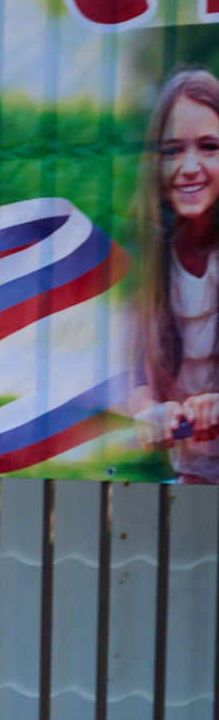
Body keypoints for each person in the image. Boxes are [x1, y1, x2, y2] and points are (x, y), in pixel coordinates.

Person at [130, 68, 219, 483]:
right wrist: (149, 411)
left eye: (209, 147)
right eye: (172, 150)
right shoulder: (152, 260)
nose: (189, 167)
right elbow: (138, 379)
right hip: (192, 477)